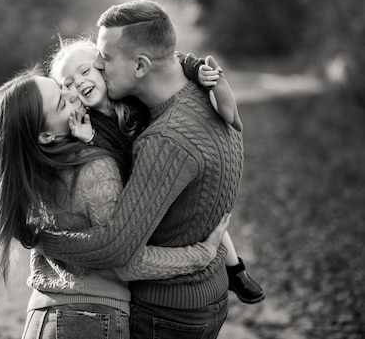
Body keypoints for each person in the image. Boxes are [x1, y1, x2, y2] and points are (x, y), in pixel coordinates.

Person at [0, 68, 231, 339]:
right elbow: (127, 260)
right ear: (45, 135)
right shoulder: (94, 168)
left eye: (61, 87)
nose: (72, 94)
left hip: (40, 317)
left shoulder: (31, 179)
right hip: (89, 320)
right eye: (62, 102)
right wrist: (201, 255)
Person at [37, 0, 246, 339]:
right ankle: (234, 268)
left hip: (168, 308)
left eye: (101, 61)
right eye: (68, 84)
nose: (100, 67)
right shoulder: (183, 97)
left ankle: (237, 267)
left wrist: (44, 239)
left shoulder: (159, 131)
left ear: (140, 66)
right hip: (197, 297)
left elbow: (119, 249)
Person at [48, 38, 265, 305]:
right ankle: (179, 268)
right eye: (68, 83)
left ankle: (236, 269)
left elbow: (167, 62)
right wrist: (89, 139)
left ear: (103, 67)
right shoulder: (88, 126)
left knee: (208, 212)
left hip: (167, 168)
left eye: (85, 71)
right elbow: (108, 171)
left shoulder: (131, 95)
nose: (79, 83)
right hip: (141, 189)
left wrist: (195, 67)